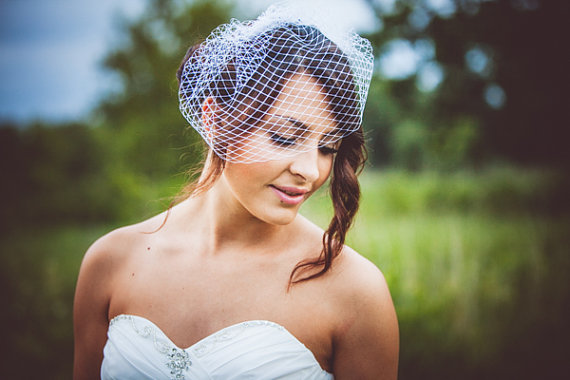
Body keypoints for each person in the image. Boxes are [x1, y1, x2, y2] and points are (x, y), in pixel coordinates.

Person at [73, 4, 398, 379]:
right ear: (214, 120)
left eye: (327, 147)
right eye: (284, 137)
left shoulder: (355, 291)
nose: (311, 171)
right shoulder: (110, 263)